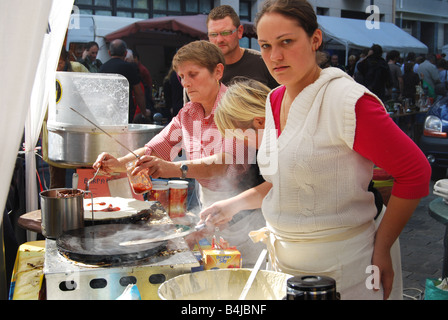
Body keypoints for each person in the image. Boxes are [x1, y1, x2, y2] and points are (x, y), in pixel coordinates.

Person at [199, 0, 431, 300]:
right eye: (266, 45)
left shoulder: (346, 101)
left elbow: (415, 173)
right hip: (288, 266)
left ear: (315, 39)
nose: (275, 56)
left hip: (347, 265)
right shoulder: (275, 100)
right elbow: (285, 181)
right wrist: (230, 205)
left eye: (286, 42)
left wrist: (383, 246)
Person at [93, 40, 266, 267]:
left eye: (193, 74)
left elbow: (224, 164)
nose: (186, 83)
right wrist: (119, 164)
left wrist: (175, 168)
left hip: (248, 215)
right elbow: (158, 147)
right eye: (181, 77)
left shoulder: (236, 107)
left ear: (218, 71)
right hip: (210, 210)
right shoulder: (189, 112)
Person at [207, 5, 278, 89]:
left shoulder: (263, 62)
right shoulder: (205, 69)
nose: (219, 40)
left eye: (225, 33)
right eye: (213, 34)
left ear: (240, 31)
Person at [99, 39, 149, 123]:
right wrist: (143, 112)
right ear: (125, 53)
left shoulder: (102, 68)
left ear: (109, 52)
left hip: (106, 111)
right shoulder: (129, 68)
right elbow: (138, 92)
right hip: (124, 111)